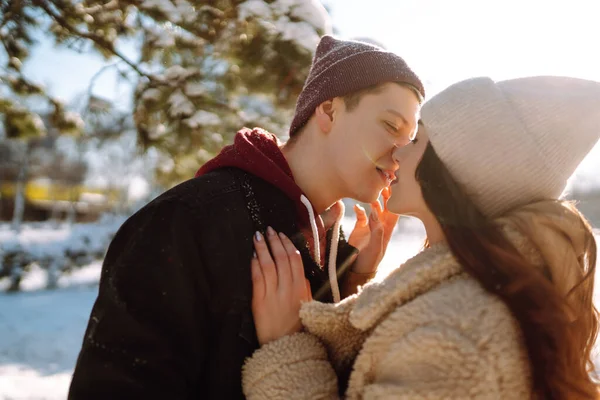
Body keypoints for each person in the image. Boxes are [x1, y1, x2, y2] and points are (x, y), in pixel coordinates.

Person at [68, 35, 424, 399]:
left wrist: (353, 279)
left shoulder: (334, 243)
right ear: (329, 111)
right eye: (391, 126)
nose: (401, 155)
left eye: (410, 139)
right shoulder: (184, 221)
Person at [244, 76, 600, 399]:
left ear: (454, 171)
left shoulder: (459, 335)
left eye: (417, 140)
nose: (397, 152)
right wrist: (357, 279)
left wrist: (285, 350)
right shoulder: (463, 299)